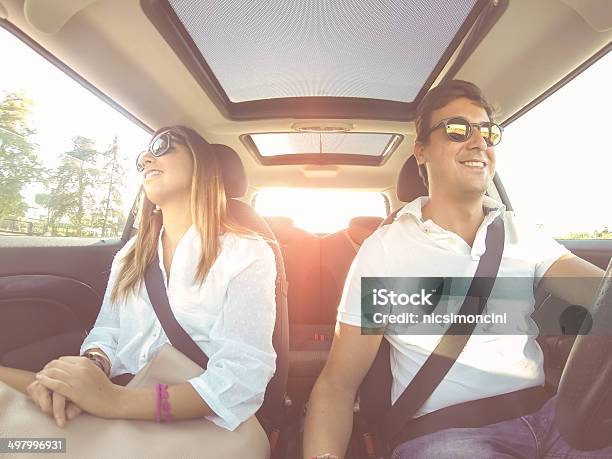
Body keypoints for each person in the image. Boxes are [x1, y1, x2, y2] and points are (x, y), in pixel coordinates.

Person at [303, 80, 608, 458]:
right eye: (457, 129)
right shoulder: (384, 251)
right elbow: (338, 385)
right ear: (421, 152)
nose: (479, 142)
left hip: (551, 417)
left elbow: (602, 294)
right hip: (448, 432)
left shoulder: (519, 233)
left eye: (487, 132)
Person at [0, 125, 277, 433]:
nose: (146, 158)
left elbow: (242, 376)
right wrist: (92, 368)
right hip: (115, 394)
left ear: (202, 164)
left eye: (162, 145)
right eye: (144, 154)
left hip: (192, 417)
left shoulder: (247, 253)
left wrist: (116, 401)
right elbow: (108, 331)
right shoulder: (132, 253)